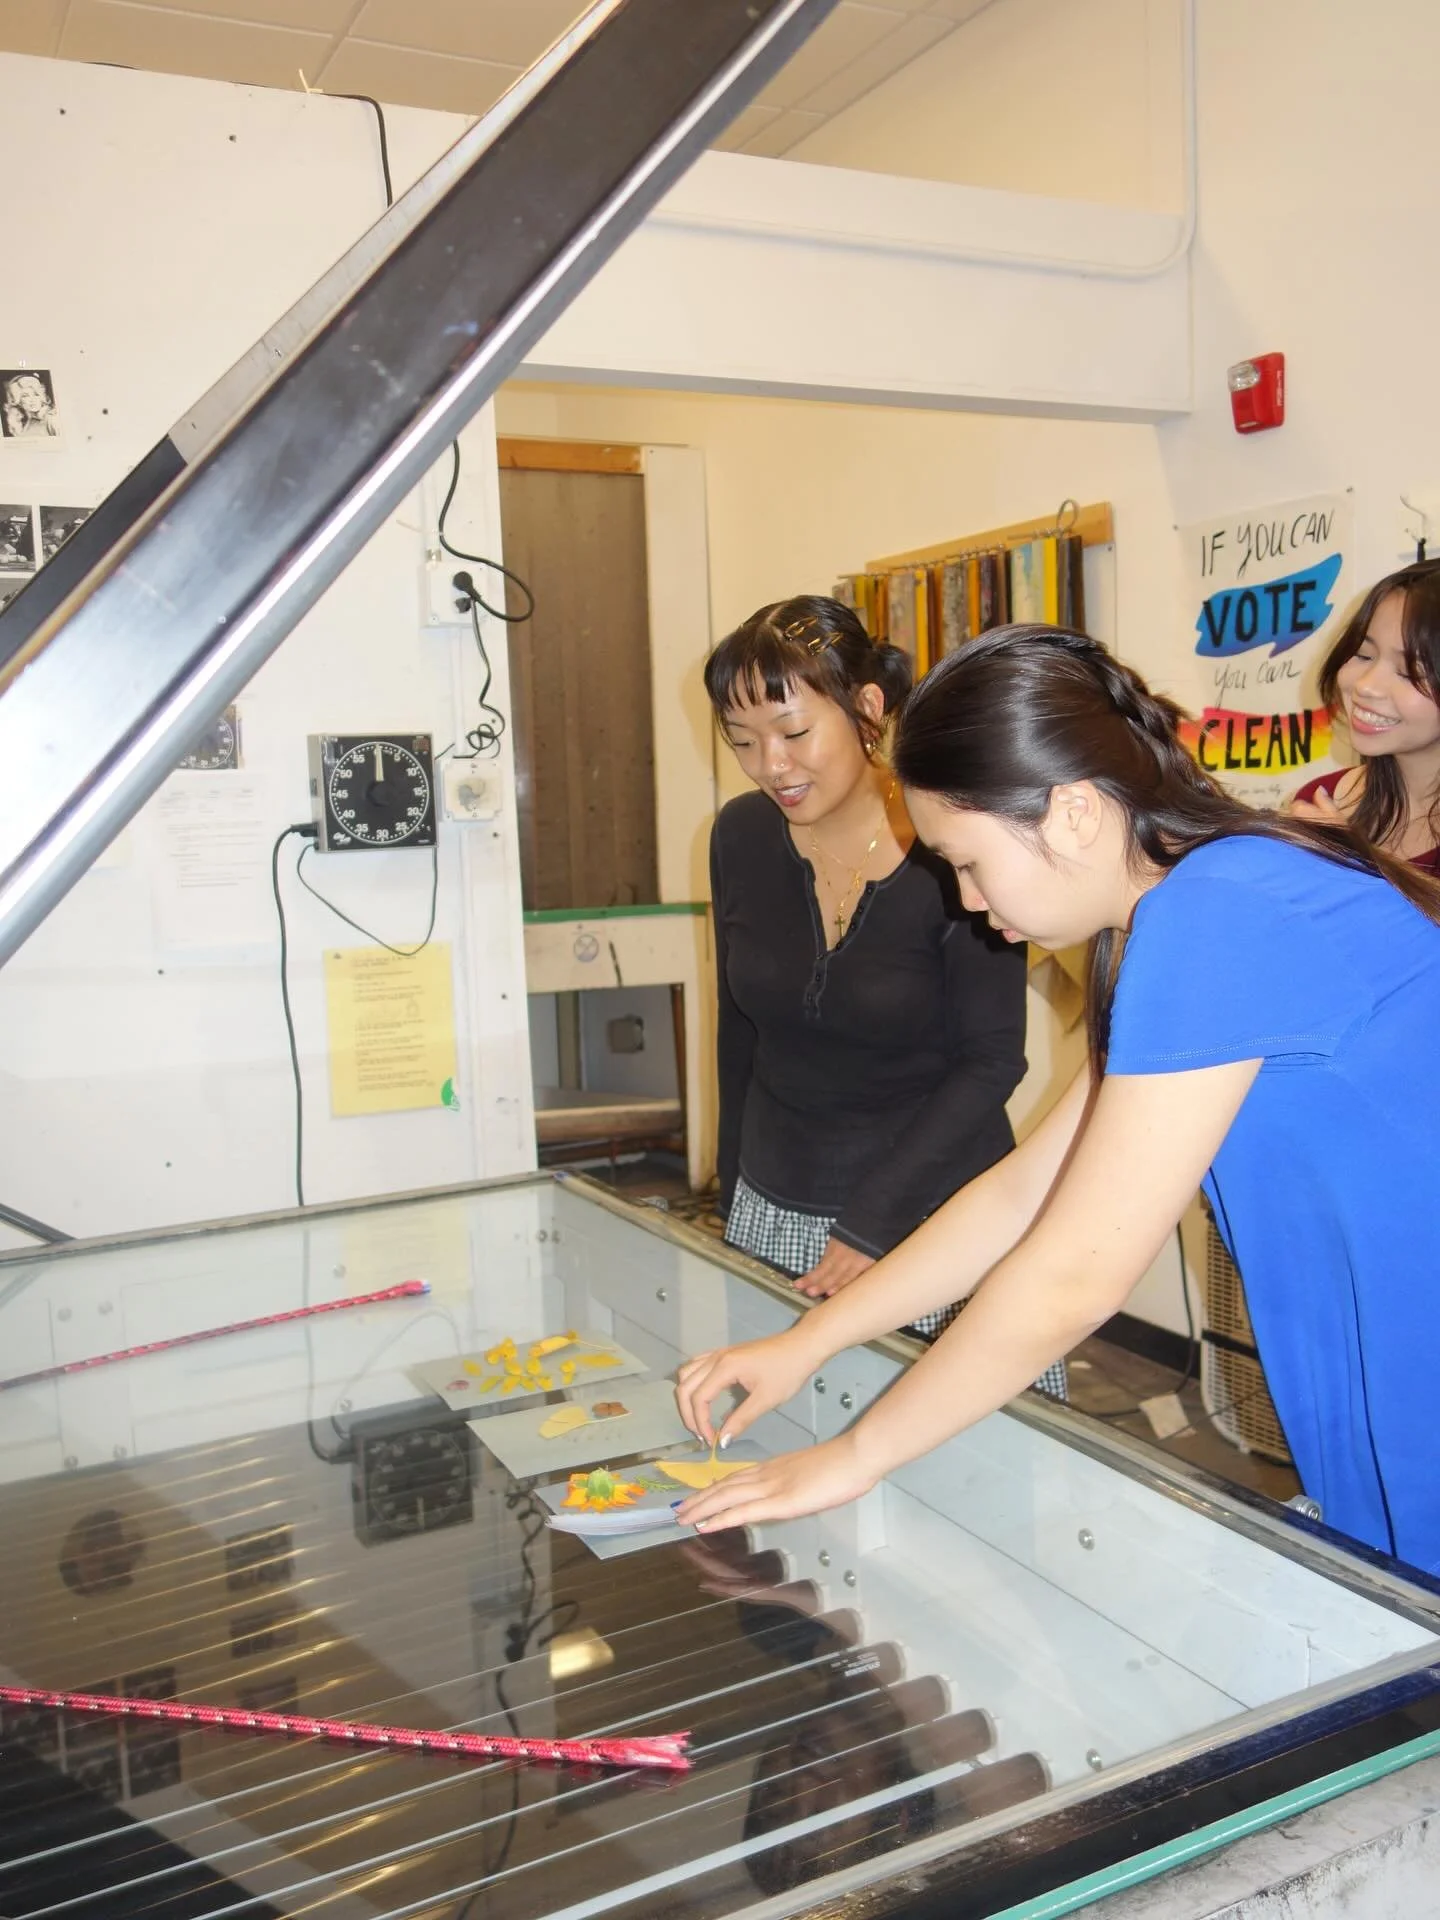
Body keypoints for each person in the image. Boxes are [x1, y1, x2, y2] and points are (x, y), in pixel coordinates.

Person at [677, 625, 1440, 1574]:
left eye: (966, 858)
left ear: (1074, 814)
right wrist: (813, 1339)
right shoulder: (1182, 910)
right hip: (1366, 1352)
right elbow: (1024, 1193)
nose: (963, 899)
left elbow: (1078, 1274)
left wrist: (855, 1455)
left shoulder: (1222, 912)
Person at [706, 596, 1048, 1374]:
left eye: (794, 733)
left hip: (934, 1215)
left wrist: (870, 1221)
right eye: (743, 743)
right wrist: (730, 1197)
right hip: (776, 1202)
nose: (772, 767)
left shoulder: (950, 837)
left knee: (954, 1465)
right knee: (788, 1453)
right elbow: (737, 1029)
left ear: (867, 706)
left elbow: (994, 1057)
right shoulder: (740, 835)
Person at [1290, 559, 1440, 872]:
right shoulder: (1321, 801)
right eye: (1363, 654)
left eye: (1408, 672)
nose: (1366, 685)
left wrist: (1354, 865)